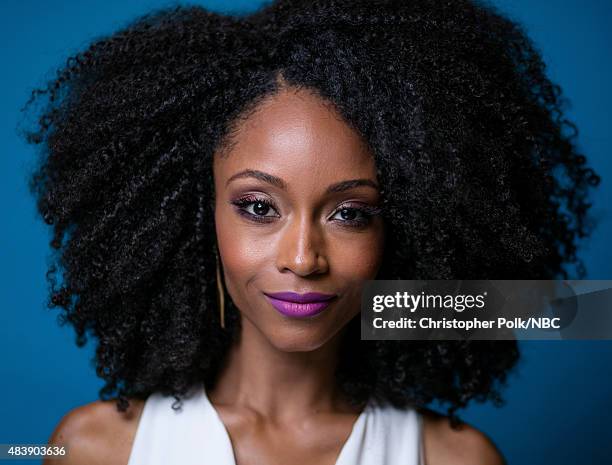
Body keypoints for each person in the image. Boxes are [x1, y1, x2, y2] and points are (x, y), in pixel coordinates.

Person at [23, 1, 599, 464]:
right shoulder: (91, 449)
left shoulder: (455, 458)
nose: (303, 258)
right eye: (257, 206)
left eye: (350, 213)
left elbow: (583, 312)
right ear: (194, 216)